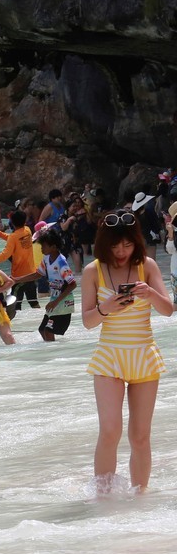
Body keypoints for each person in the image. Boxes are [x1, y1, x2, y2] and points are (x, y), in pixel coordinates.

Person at [81, 209, 172, 494]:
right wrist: (105, 308)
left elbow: (168, 310)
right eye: (114, 245)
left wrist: (150, 293)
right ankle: (103, 498)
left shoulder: (148, 266)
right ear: (103, 244)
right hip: (110, 357)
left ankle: (139, 498)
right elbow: (87, 322)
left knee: (140, 436)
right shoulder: (93, 270)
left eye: (127, 244)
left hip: (144, 356)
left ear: (137, 242)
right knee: (110, 431)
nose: (121, 251)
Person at [12, 229, 76, 342]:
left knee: (48, 330)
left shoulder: (61, 263)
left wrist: (55, 302)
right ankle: (51, 352)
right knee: (42, 330)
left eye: (44, 246)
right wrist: (17, 280)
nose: (41, 249)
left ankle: (55, 355)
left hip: (63, 303)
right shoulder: (46, 259)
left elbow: (72, 284)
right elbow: (37, 274)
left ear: (54, 247)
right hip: (54, 302)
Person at [0, 209, 39, 311]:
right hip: (31, 274)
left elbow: (5, 255)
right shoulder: (27, 230)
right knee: (34, 303)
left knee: (14, 305)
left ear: (12, 223)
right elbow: (11, 238)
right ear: (24, 221)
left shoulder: (14, 237)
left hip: (19, 277)